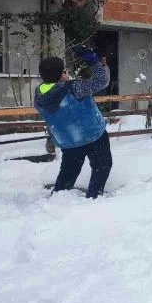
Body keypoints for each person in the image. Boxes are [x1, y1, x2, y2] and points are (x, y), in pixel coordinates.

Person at [34, 46, 112, 198]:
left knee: (69, 171)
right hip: (93, 136)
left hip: (68, 140)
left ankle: (58, 199)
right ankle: (93, 199)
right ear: (60, 74)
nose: (67, 72)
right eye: (65, 70)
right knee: (102, 166)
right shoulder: (74, 88)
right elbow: (103, 80)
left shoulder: (39, 95)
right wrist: (93, 61)